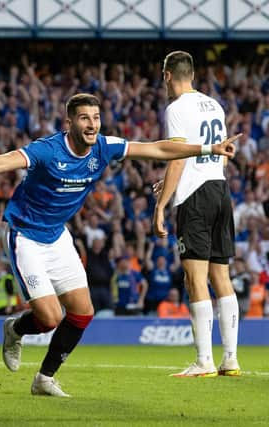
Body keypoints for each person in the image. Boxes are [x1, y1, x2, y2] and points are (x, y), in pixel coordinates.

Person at [0, 92, 237, 397]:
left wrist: (208, 148)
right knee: (49, 318)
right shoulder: (48, 150)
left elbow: (156, 148)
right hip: (25, 234)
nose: (92, 125)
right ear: (69, 122)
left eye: (96, 118)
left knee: (83, 313)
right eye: (85, 118)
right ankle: (15, 329)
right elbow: (2, 162)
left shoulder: (104, 147)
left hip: (57, 234)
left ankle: (44, 379)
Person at [153, 51, 242, 377]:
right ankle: (230, 359)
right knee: (222, 277)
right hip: (220, 189)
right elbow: (222, 152)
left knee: (195, 278)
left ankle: (204, 360)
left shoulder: (176, 108)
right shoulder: (213, 104)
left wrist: (162, 202)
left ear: (167, 76)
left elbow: (177, 157)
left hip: (195, 198)